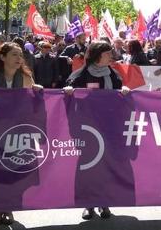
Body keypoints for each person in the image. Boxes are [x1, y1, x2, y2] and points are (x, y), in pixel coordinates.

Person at [64, 41, 130, 221]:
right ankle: (88, 204)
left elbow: (120, 101)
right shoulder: (79, 76)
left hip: (109, 128)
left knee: (107, 166)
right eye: (108, 53)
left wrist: (123, 92)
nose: (111, 56)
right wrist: (69, 93)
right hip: (88, 130)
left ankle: (104, 202)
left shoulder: (114, 75)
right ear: (97, 56)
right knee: (88, 167)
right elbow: (69, 101)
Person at [0, 42, 43, 226]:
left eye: (20, 55)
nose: (19, 59)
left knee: (13, 171)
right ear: (2, 57)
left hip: (16, 131)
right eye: (14, 55)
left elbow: (32, 105)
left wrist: (37, 92)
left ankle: (10, 206)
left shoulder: (26, 78)